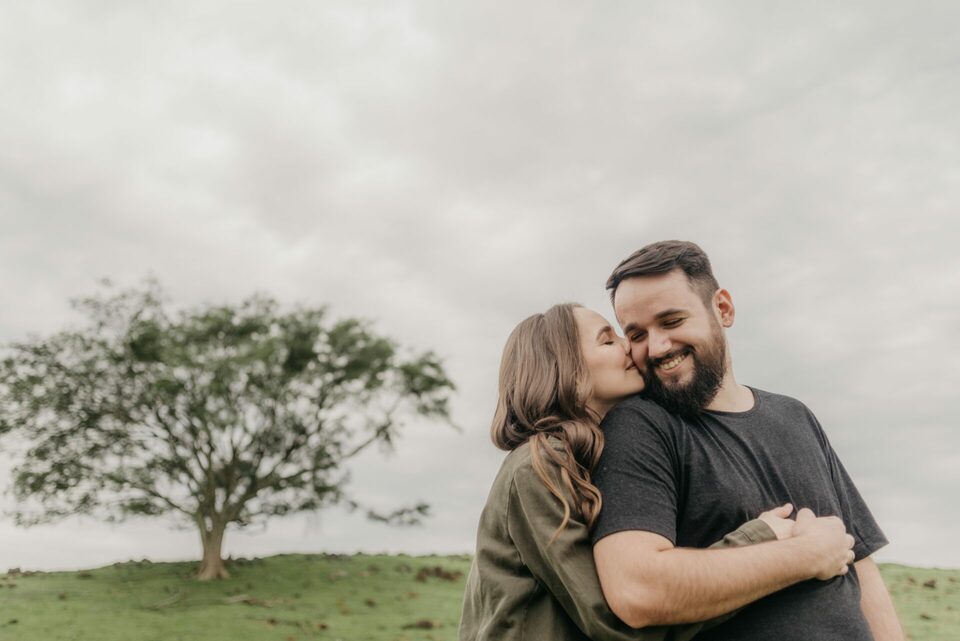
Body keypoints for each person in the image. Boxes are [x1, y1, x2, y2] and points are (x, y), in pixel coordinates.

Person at [459, 303, 857, 641]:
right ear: (566, 369)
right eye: (607, 339)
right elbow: (619, 624)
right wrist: (761, 541)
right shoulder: (537, 466)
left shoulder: (583, 458)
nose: (631, 348)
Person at [592, 240, 903, 641]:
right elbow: (637, 590)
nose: (656, 347)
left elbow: (858, 562)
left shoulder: (795, 416)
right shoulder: (639, 427)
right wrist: (805, 557)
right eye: (636, 334)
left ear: (722, 309)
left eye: (670, 322)